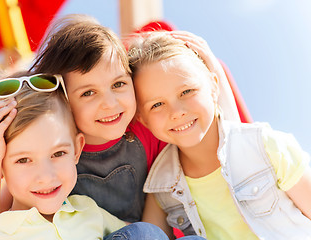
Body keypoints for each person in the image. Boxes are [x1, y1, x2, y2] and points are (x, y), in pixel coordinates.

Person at [28, 14, 240, 227]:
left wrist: (215, 71)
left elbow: (229, 143)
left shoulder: (147, 126)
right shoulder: (54, 148)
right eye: (88, 93)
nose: (110, 104)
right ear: (63, 99)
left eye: (118, 84)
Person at [127, 31, 311, 239]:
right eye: (157, 104)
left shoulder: (265, 145)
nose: (177, 112)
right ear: (142, 119)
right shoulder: (161, 187)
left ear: (214, 87)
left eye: (187, 91)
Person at [0, 72, 169, 240]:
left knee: (147, 233)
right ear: (0, 166)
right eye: (23, 160)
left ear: (77, 149)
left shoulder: (87, 211)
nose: (46, 176)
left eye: (58, 153)